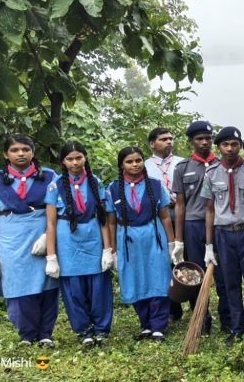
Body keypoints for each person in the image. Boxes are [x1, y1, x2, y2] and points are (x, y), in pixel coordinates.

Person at [0, 134, 61, 346]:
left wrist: (47, 236)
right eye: (15, 150)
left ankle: (45, 333)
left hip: (43, 234)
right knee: (17, 284)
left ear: (33, 152)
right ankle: (26, 334)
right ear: (5, 154)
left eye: (25, 149)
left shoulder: (50, 176)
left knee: (47, 282)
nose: (20, 154)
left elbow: (59, 210)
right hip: (10, 240)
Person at [200, 127, 244, 345]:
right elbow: (209, 210)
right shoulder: (211, 173)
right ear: (218, 147)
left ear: (240, 146)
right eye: (225, 144)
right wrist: (209, 245)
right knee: (230, 283)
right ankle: (237, 328)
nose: (230, 148)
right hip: (224, 234)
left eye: (234, 144)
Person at [45, 142, 114, 347]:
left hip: (93, 235)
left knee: (99, 285)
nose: (75, 162)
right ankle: (84, 331)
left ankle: (101, 329)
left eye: (79, 158)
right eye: (70, 159)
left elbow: (103, 219)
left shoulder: (95, 182)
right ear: (63, 161)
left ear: (85, 158)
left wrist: (107, 250)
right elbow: (50, 223)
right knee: (73, 288)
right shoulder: (55, 185)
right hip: (67, 238)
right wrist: (51, 256)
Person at [105, 146, 176, 342]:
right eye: (129, 162)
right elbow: (111, 222)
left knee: (158, 277)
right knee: (135, 278)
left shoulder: (155, 185)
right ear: (121, 165)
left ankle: (158, 325)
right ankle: (145, 324)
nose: (134, 165)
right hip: (128, 240)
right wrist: (112, 251)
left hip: (154, 236)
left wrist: (172, 243)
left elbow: (165, 216)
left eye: (138, 160)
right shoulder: (112, 189)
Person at [173, 120, 230, 334]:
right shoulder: (182, 168)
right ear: (191, 141)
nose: (204, 142)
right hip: (194, 225)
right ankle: (202, 319)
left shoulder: (223, 165)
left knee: (223, 273)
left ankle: (227, 317)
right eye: (199, 139)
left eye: (208, 138)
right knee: (196, 273)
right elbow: (180, 205)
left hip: (220, 224)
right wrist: (179, 240)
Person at [145, 127, 184, 321]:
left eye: (170, 138)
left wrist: (181, 199)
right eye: (163, 139)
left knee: (186, 258)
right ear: (152, 143)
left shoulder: (182, 163)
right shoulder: (144, 166)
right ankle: (173, 309)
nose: (169, 142)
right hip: (160, 218)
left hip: (184, 216)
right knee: (166, 261)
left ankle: (195, 302)